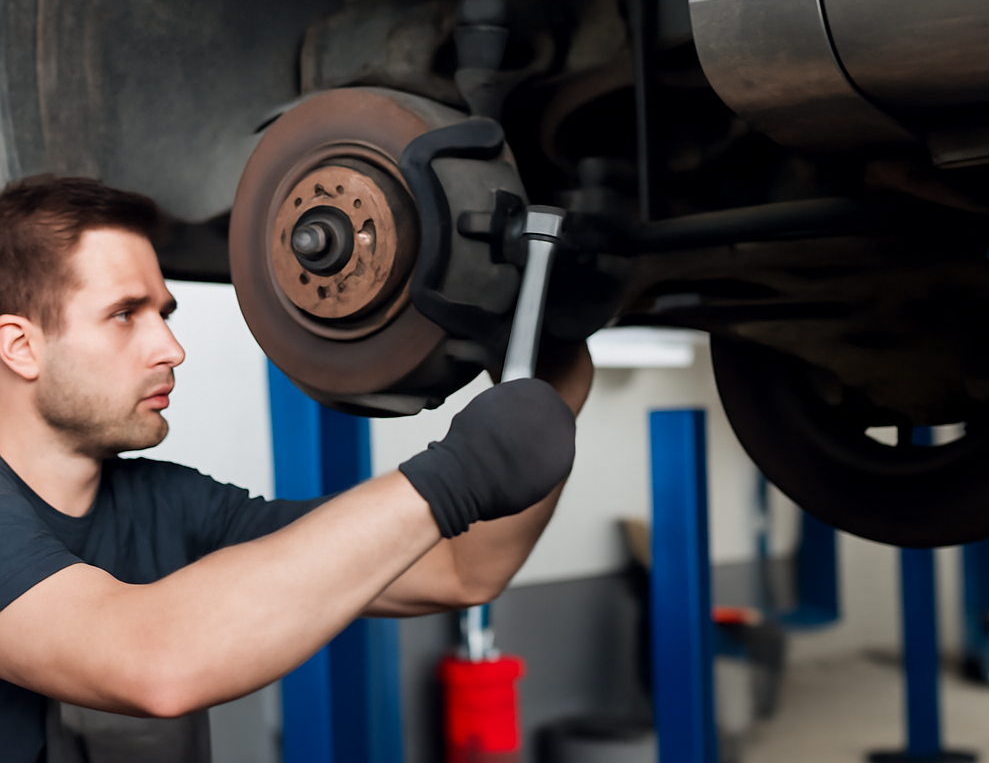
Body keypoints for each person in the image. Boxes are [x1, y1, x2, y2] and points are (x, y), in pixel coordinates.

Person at [0, 175, 593, 763]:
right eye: (126, 314)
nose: (171, 349)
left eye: (165, 313)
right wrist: (456, 472)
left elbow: (460, 570)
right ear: (20, 347)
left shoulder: (167, 501)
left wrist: (555, 371)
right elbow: (154, 662)